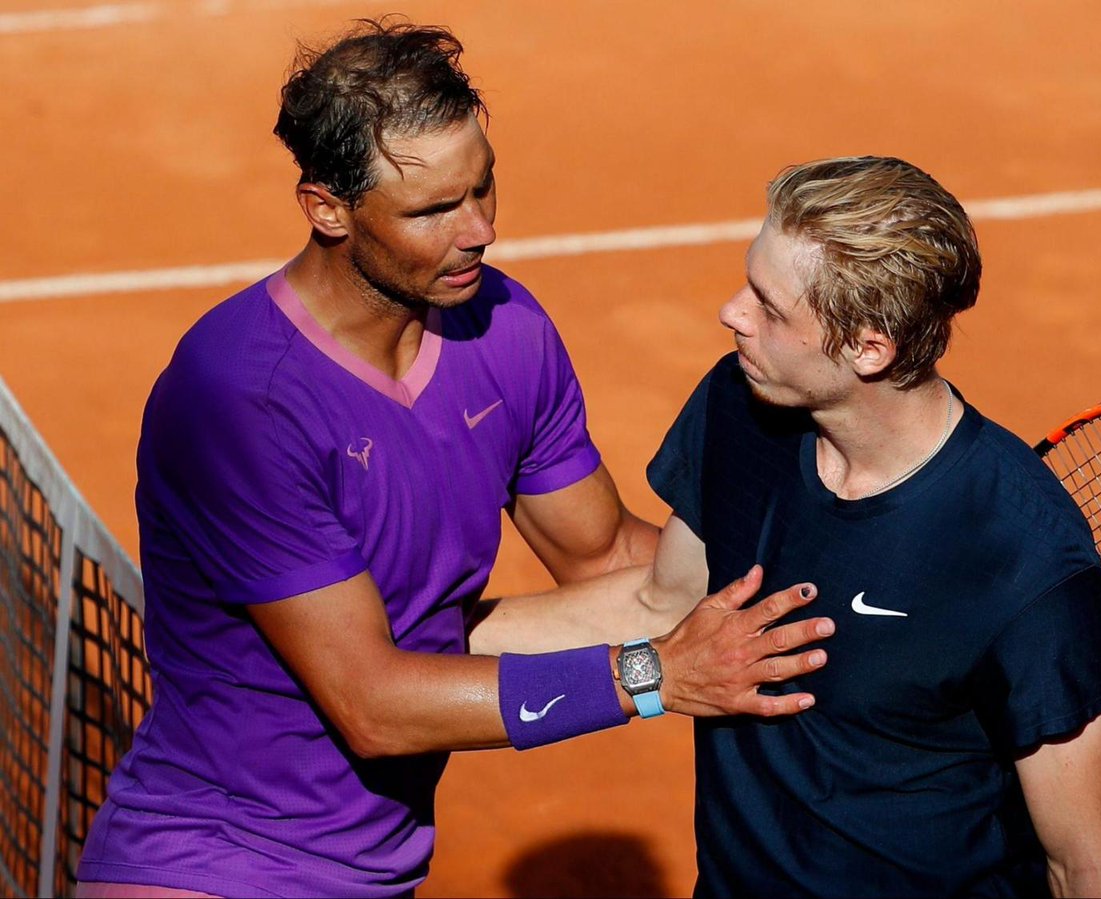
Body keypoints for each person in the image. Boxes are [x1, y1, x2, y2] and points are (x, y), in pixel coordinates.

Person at [73, 19, 833, 899]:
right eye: (432, 211)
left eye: (483, 189)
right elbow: (372, 704)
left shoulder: (503, 326)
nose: (478, 231)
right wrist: (655, 675)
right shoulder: (242, 400)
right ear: (326, 208)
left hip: (377, 866)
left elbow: (615, 565)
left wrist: (826, 559)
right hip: (214, 864)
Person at [639, 156, 1101, 897]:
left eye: (768, 307)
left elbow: (1084, 861)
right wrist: (433, 656)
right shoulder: (741, 407)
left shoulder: (1022, 559)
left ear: (868, 348)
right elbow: (661, 601)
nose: (732, 312)